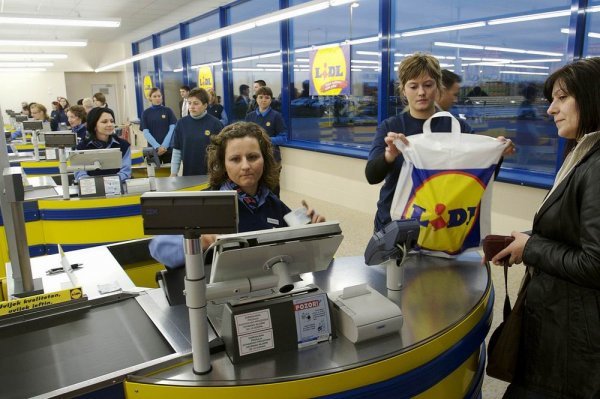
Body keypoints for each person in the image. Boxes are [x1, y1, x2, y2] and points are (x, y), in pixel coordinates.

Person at [491, 58, 600, 399]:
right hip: (557, 321)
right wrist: (523, 241)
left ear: (592, 97)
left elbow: (595, 263)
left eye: (562, 98)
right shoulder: (582, 151)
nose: (551, 109)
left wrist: (531, 247)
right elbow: (572, 230)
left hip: (571, 339)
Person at [365, 53, 514, 232]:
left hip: (442, 228)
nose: (421, 92)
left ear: (438, 87)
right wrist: (389, 156)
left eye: (428, 85)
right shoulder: (391, 127)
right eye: (413, 86)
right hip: (394, 227)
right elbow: (372, 176)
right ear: (403, 90)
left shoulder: (458, 128)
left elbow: (477, 180)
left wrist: (496, 154)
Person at [149, 121, 324, 268]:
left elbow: (305, 256)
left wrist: (314, 232)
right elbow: (159, 247)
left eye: (253, 157)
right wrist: (199, 241)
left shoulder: (273, 204)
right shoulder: (203, 204)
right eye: (235, 159)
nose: (246, 166)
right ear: (223, 164)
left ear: (265, 159)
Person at [170, 88, 223, 176]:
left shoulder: (215, 124)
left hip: (211, 175)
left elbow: (221, 151)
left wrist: (218, 172)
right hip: (188, 174)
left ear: (205, 105)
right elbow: (177, 151)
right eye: (189, 103)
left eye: (196, 103)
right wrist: (173, 173)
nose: (191, 107)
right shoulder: (181, 124)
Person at [244, 86, 287, 194]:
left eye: (267, 97)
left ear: (271, 100)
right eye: (261, 97)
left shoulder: (276, 116)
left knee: (273, 189)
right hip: (253, 158)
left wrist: (265, 139)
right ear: (256, 99)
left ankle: (276, 209)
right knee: (256, 187)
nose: (263, 100)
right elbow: (244, 136)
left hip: (272, 159)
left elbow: (283, 138)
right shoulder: (250, 116)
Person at [74, 107, 131, 182]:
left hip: (117, 187)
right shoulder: (82, 147)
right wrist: (94, 184)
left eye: (112, 121)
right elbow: (80, 173)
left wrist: (110, 183)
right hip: (91, 189)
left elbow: (125, 172)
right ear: (94, 125)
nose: (110, 124)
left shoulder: (124, 145)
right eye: (104, 122)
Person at [141, 87, 177, 164]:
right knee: (154, 174)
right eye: (154, 96)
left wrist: (164, 146)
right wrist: (157, 147)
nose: (157, 98)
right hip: (153, 150)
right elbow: (146, 133)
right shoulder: (146, 113)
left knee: (170, 173)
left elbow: (172, 130)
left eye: (159, 96)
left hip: (168, 149)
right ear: (150, 98)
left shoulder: (168, 111)